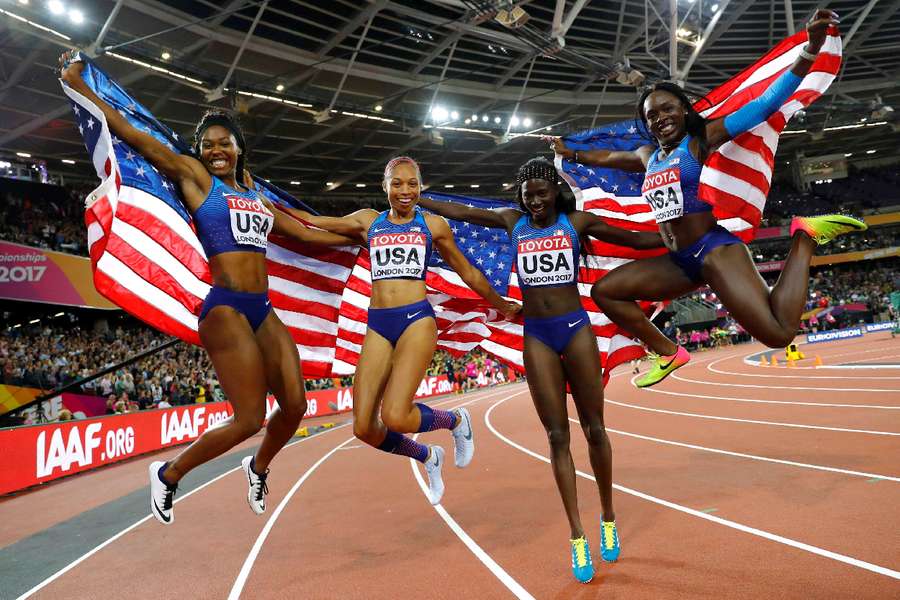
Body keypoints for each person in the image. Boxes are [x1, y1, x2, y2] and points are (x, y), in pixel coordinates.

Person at [60, 51, 357, 525]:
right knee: (248, 418)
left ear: (239, 148)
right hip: (225, 309)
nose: (216, 149)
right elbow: (133, 134)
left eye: (224, 143)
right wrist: (83, 88)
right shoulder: (197, 179)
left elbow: (303, 232)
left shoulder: (256, 194)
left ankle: (257, 466)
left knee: (297, 406)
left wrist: (363, 235)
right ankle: (170, 474)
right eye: (208, 144)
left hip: (263, 310)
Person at [548, 9, 866, 388]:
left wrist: (809, 52)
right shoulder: (648, 156)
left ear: (683, 110)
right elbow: (607, 157)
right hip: (680, 260)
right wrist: (570, 152)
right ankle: (668, 352)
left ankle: (803, 236)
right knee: (607, 291)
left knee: (779, 335)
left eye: (667, 109)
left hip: (714, 250)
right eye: (651, 115)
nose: (659, 118)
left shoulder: (699, 143)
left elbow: (763, 104)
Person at [418, 156, 665, 583]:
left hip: (576, 331)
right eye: (528, 193)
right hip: (538, 337)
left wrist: (675, 238)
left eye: (541, 191)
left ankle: (607, 515)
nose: (535, 199)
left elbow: (632, 240)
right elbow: (465, 211)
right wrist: (417, 198)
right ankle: (576, 535)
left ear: (555, 190)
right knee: (556, 435)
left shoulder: (576, 223)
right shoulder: (513, 223)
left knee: (595, 429)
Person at [287, 156, 520, 505]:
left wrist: (499, 304)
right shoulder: (369, 222)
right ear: (385, 186)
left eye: (412, 183)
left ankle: (455, 420)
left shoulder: (433, 225)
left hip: (416, 320)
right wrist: (259, 202)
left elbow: (468, 271)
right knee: (364, 428)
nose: (405, 190)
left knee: (395, 415)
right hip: (379, 323)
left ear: (420, 187)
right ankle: (428, 456)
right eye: (397, 183)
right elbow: (308, 223)